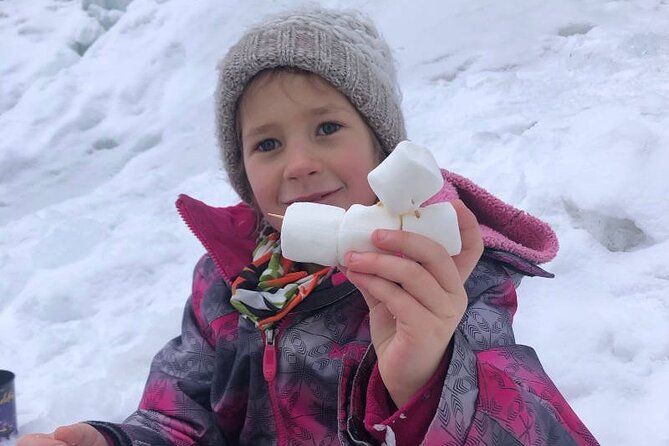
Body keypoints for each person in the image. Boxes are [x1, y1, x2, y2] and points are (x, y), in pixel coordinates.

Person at [19, 7, 599, 446]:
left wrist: (425, 375)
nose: (298, 164)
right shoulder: (228, 280)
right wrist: (112, 440)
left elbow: (535, 425)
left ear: (383, 147)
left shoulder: (445, 274)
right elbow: (182, 417)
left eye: (326, 128)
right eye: (267, 143)